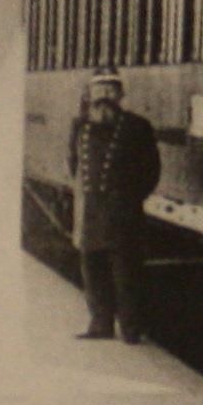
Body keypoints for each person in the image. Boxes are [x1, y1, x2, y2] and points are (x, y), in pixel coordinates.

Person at [68, 66, 161, 343]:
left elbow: (151, 171)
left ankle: (131, 329)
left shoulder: (137, 126)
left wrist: (130, 199)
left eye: (111, 89)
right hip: (91, 211)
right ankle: (100, 324)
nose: (105, 95)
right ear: (91, 93)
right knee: (93, 270)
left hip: (123, 213)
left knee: (126, 274)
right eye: (100, 89)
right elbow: (73, 163)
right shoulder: (80, 126)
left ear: (120, 94)